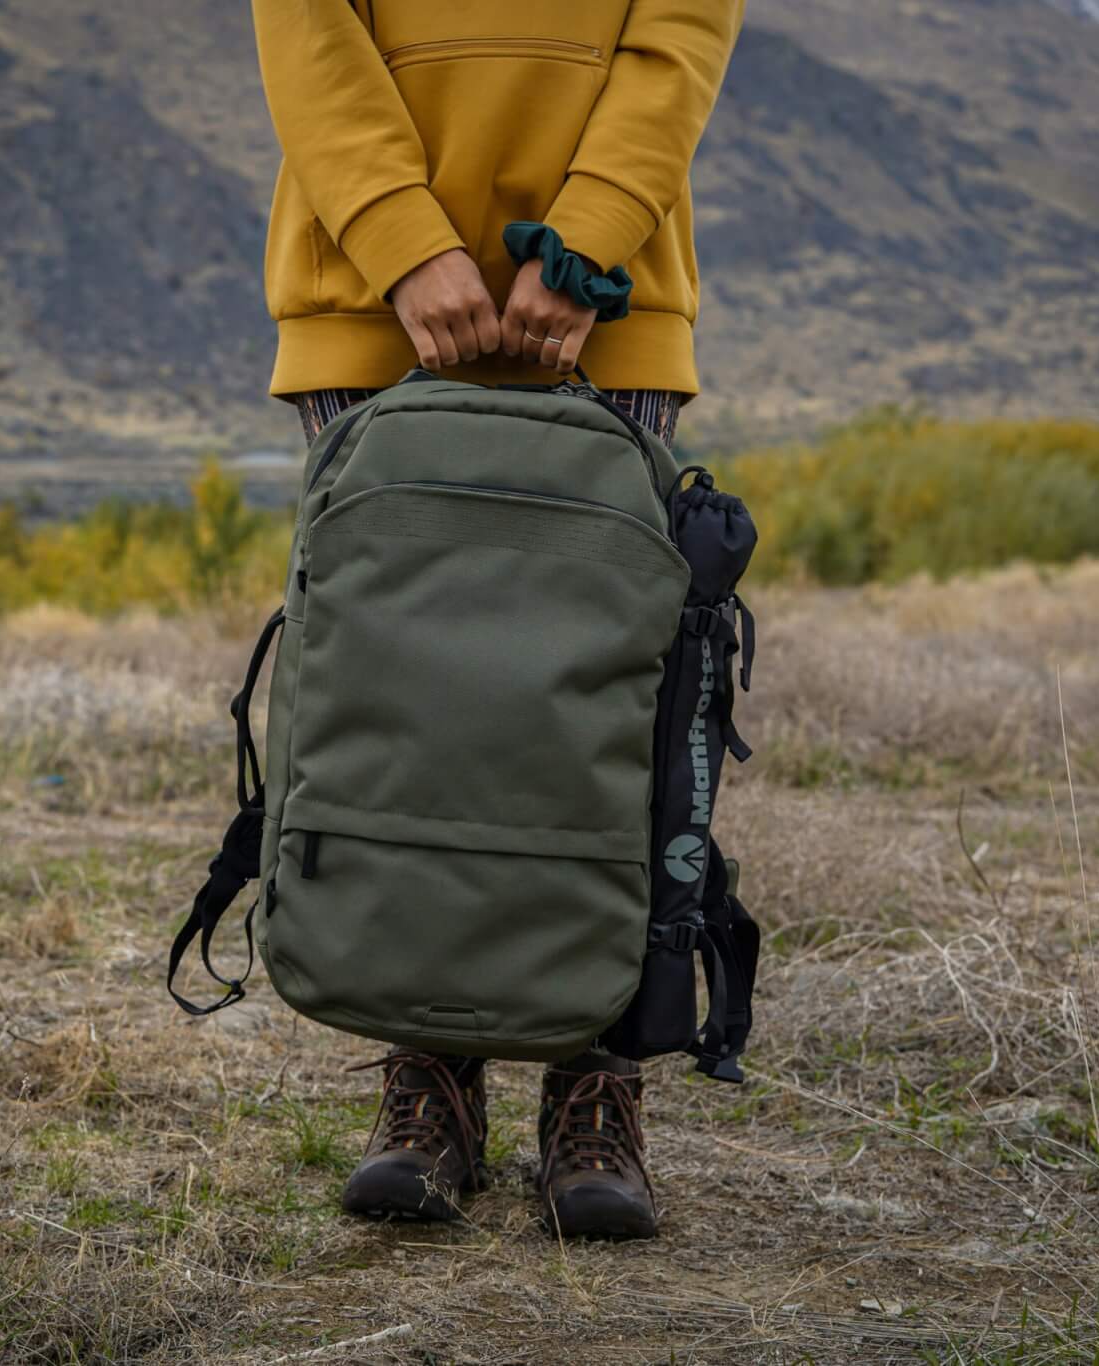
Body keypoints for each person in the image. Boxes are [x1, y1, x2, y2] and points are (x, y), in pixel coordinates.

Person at [250, 0, 744, 1240]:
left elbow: (681, 30)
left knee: (592, 708)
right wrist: (401, 244)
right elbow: (305, 27)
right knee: (407, 706)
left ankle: (596, 1084)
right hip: (368, 300)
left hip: (605, 296)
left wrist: (580, 247)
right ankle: (428, 1085)